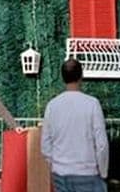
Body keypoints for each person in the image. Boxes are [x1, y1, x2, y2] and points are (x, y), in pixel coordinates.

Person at [40, 59, 109, 192]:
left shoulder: (52, 106)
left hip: (60, 173)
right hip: (87, 172)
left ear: (62, 78)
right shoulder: (92, 104)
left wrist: (56, 163)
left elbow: (45, 144)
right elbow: (102, 144)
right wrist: (103, 171)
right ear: (81, 76)